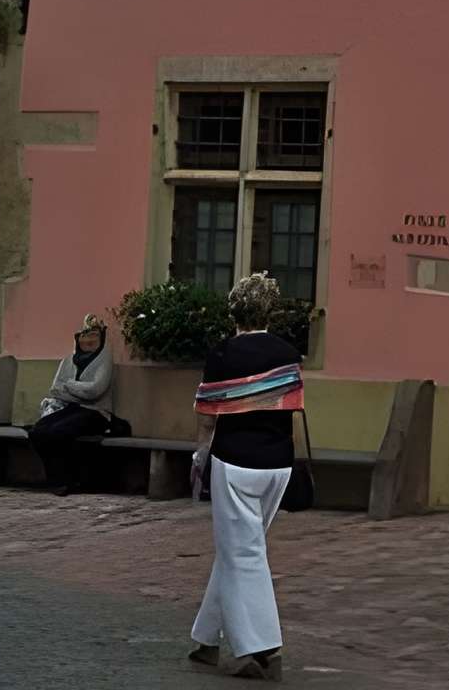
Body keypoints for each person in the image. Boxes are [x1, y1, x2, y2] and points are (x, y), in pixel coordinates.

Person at [188, 272, 303, 681]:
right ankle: (205, 639)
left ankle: (262, 649)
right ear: (269, 310)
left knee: (244, 553)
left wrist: (201, 452)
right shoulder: (289, 351)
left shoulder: (223, 354)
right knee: (238, 548)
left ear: (233, 310)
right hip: (279, 465)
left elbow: (206, 412)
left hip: (236, 462)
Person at [28, 313, 114, 493]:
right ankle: (55, 478)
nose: (88, 344)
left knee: (60, 432)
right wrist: (78, 393)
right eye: (84, 340)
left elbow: (95, 390)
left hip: (96, 412)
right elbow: (55, 389)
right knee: (39, 431)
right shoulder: (68, 360)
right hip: (70, 407)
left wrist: (70, 385)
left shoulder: (104, 359)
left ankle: (68, 480)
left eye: (93, 340)